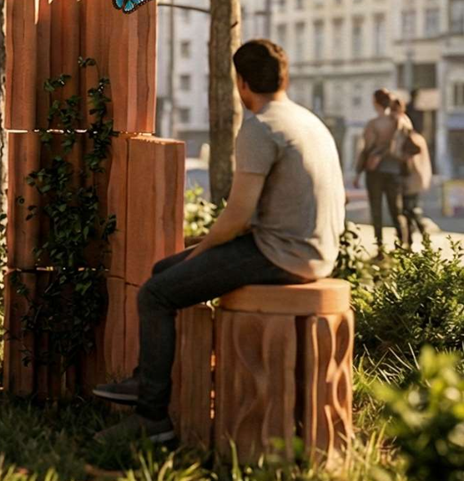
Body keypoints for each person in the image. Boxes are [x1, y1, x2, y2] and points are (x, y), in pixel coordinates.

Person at [92, 39, 344, 443]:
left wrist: (205, 248)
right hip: (314, 250)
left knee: (156, 293)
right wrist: (197, 252)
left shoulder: (261, 128)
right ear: (285, 77)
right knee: (165, 270)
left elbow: (238, 216)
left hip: (282, 256)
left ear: (241, 83)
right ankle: (146, 380)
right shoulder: (307, 121)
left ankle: (152, 417)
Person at [353, 88, 408, 256]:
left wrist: (358, 172)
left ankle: (380, 249)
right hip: (395, 170)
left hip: (375, 171)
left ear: (375, 102)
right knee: (396, 209)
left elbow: (366, 149)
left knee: (376, 210)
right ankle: (402, 245)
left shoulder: (374, 124)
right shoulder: (401, 121)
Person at [391, 96, 432, 248]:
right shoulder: (418, 137)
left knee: (409, 210)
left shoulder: (405, 131)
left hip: (409, 179)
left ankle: (416, 239)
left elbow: (405, 153)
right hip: (415, 179)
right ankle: (412, 241)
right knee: (410, 209)